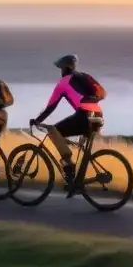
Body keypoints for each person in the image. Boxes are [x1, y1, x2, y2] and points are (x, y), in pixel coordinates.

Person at [30, 54, 106, 194]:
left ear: (64, 68)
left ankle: (69, 167)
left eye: (60, 68)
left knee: (53, 130)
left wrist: (37, 121)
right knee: (67, 136)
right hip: (98, 117)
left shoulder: (64, 83)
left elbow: (51, 107)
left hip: (84, 117)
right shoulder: (84, 76)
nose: (60, 71)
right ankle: (76, 181)